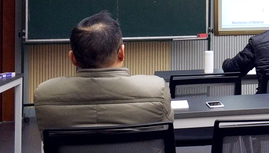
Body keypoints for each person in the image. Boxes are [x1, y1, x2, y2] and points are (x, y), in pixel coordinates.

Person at [34, 11, 173, 138]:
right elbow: (167, 133)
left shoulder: (45, 94)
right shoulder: (157, 90)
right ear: (121, 53)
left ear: (73, 58)